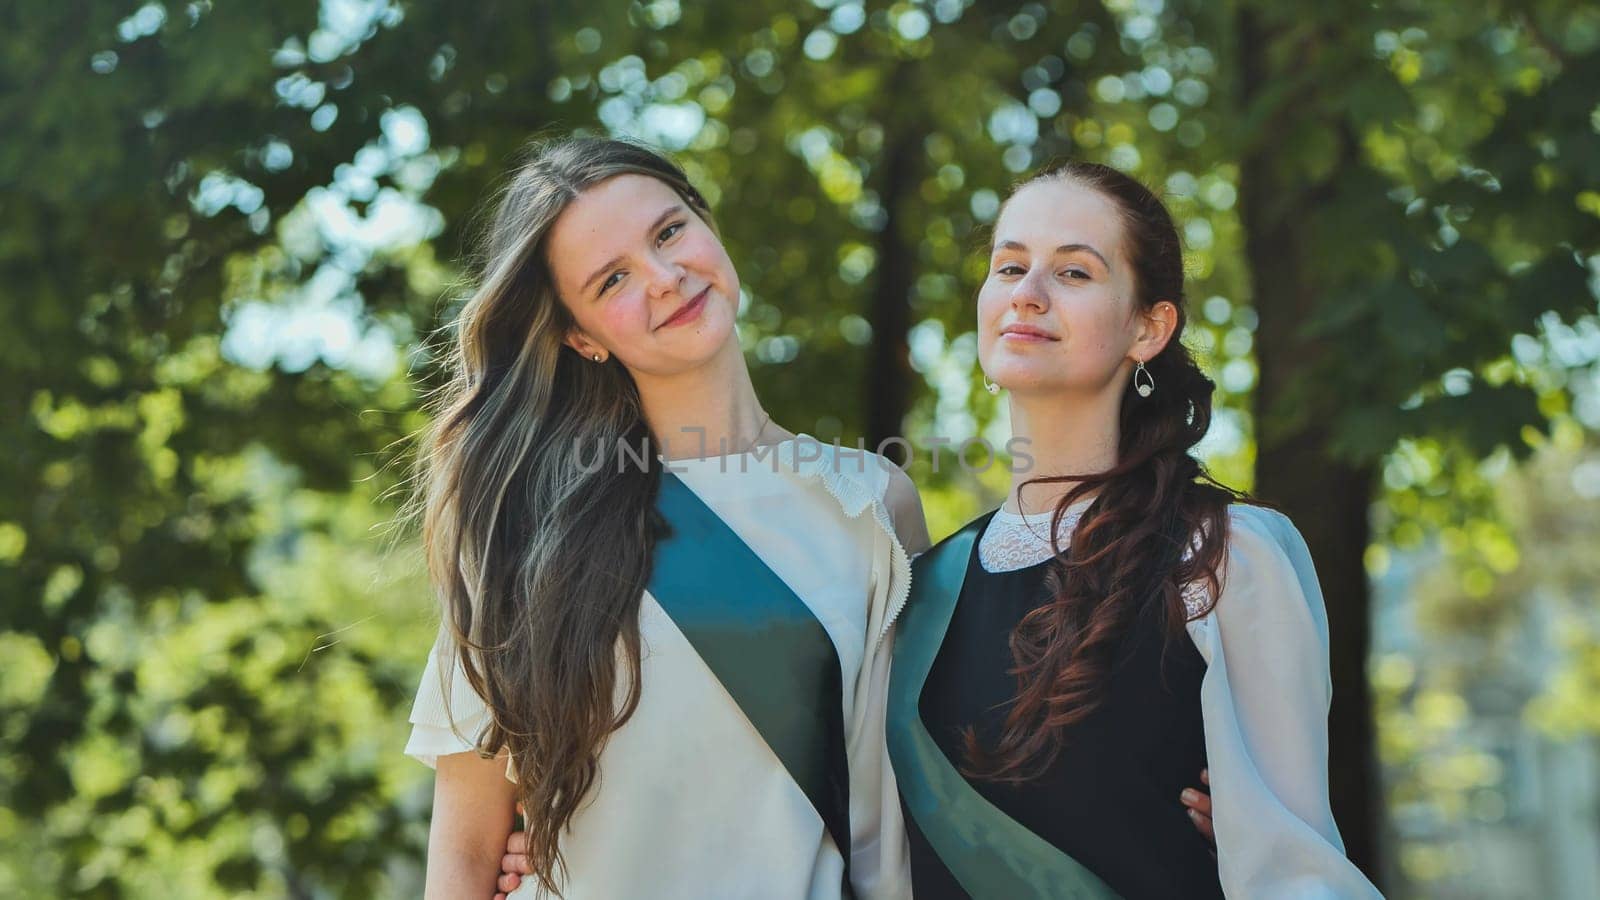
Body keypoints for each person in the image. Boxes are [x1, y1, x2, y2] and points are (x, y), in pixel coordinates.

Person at [405, 136, 929, 899]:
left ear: (706, 223)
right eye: (613, 278)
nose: (664, 276)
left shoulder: (871, 503)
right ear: (580, 336)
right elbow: (463, 858)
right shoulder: (524, 532)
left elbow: (898, 819)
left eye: (669, 231)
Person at [885, 160, 1384, 898]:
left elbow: (1293, 875)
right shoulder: (920, 584)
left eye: (1075, 273)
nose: (1027, 293)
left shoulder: (1221, 557)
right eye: (1010, 265)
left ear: (1148, 328)